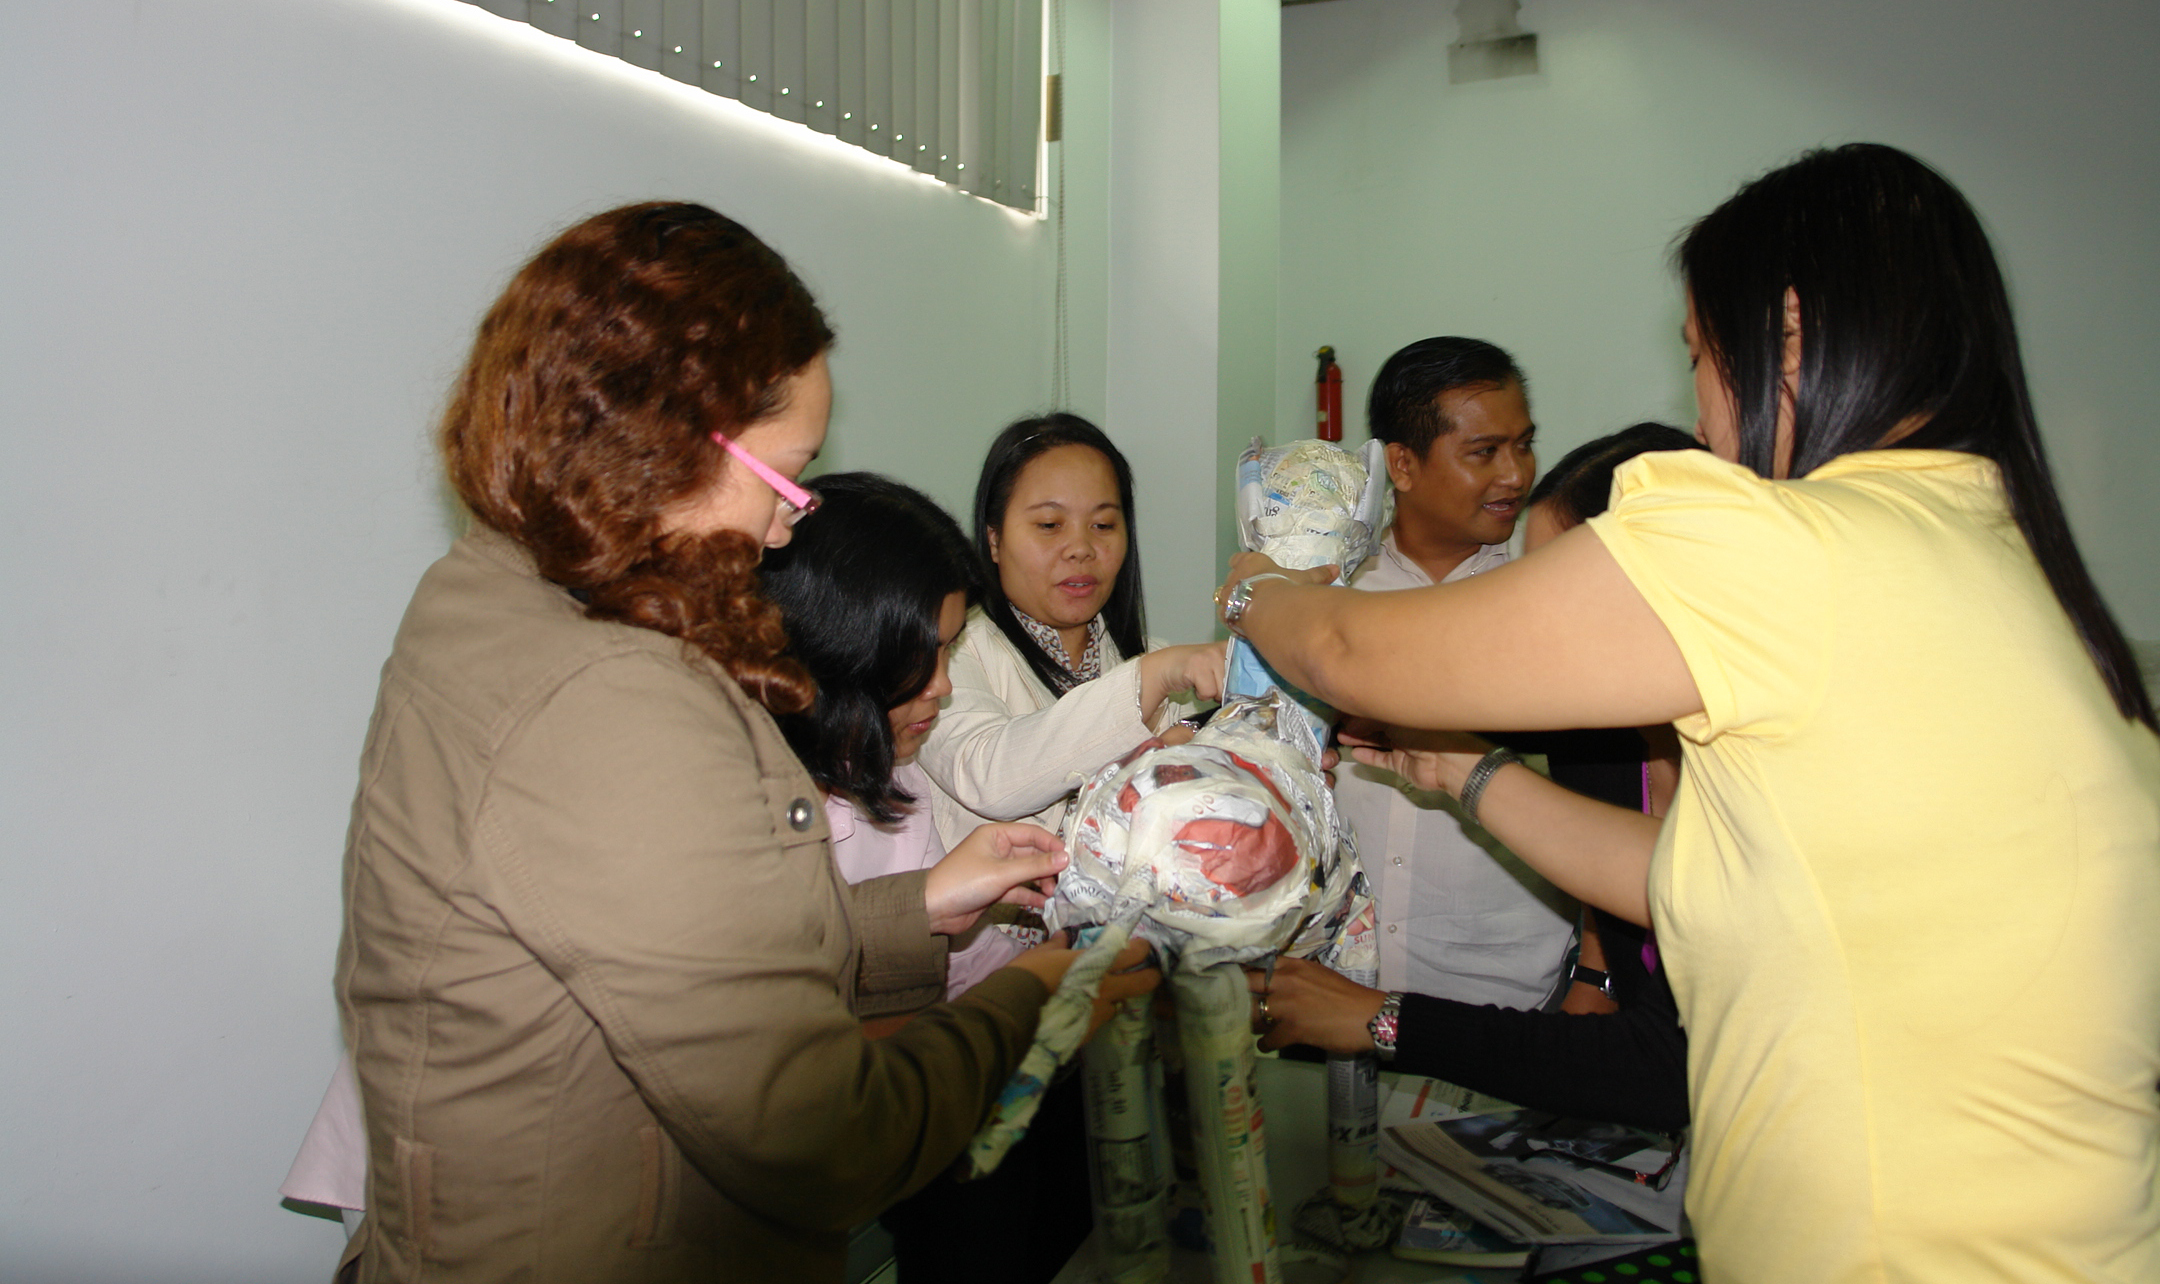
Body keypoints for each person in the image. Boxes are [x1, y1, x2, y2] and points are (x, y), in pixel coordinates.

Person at [1218, 145, 2160, 1282]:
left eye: (1701, 357)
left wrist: (1258, 585)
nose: (1705, 418)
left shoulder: (1777, 547)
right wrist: (1466, 775)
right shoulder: (1996, 555)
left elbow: (1349, 651)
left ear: (1789, 336)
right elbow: (1714, 878)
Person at [329, 203, 1153, 1284]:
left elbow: (651, 944)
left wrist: (914, 907)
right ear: (661, 441)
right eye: (786, 477)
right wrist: (1039, 994)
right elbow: (824, 1135)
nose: (787, 525)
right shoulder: (618, 699)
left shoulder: (492, 590)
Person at [1254, 424, 1704, 1134]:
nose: (1538, 623)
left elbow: (1666, 1065)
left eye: (1562, 592)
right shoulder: (1611, 739)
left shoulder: (1751, 773)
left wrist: (1382, 1020)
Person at [758, 471, 1094, 1284]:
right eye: (921, 659)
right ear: (836, 647)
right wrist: (1027, 990)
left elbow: (930, 961)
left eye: (949, 650)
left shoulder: (886, 772)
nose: (941, 687)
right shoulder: (755, 808)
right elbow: (820, 1032)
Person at [1332, 338, 1574, 1009]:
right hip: (1338, 985)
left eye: (1523, 445)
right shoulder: (1333, 597)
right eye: (1484, 452)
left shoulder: (1551, 592)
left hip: (1510, 995)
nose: (1516, 474)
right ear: (1402, 465)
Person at [917, 413, 1225, 855]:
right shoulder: (947, 655)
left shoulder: (1162, 665)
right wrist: (1150, 681)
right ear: (994, 539)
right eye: (1049, 525)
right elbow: (988, 775)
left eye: (1103, 525)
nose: (1081, 548)